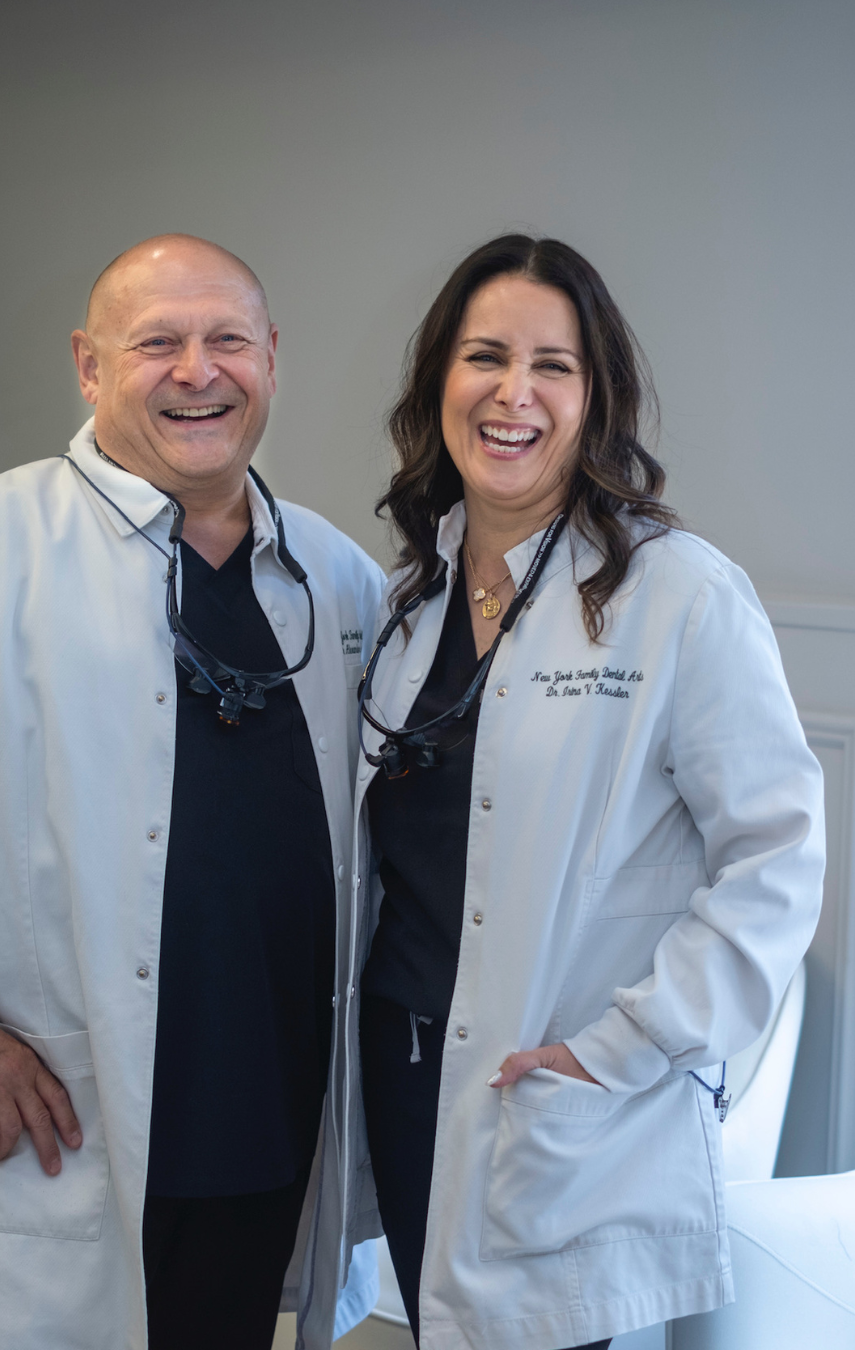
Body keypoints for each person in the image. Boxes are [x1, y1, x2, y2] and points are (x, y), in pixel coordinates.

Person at [0, 234, 384, 1350]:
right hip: (57, 1120)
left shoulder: (337, 576)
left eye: (228, 339)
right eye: (157, 342)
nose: (198, 370)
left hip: (270, 1120)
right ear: (89, 367)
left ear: (271, 357)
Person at [348, 234, 824, 1349]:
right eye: (485, 357)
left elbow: (775, 858)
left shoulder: (679, 593)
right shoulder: (406, 602)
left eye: (551, 365)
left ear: (595, 396)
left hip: (552, 1094)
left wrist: (629, 1044)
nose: (513, 393)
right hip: (402, 1076)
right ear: (439, 382)